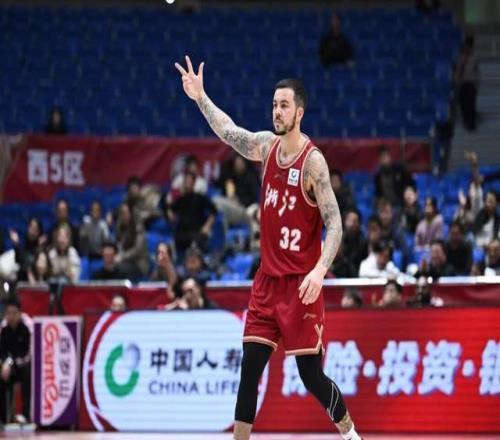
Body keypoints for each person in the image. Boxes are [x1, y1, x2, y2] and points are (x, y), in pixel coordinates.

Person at [175, 56, 362, 440]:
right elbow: (230, 132)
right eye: (274, 104)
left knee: (311, 376)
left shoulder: (314, 164)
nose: (277, 111)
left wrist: (319, 271)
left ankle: (350, 433)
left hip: (301, 286)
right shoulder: (266, 146)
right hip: (266, 283)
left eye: (284, 105)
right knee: (249, 370)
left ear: (299, 112)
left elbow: (336, 223)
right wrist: (200, 98)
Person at [166, 171, 217, 255]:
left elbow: (214, 211)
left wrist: (207, 226)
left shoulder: (200, 198)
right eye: (186, 181)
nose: (187, 184)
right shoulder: (180, 199)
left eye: (189, 181)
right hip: (182, 233)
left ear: (194, 183)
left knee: (198, 240)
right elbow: (171, 212)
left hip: (197, 232)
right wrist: (170, 211)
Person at [0, 297, 31, 424]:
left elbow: (27, 354)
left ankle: (26, 414)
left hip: (25, 365)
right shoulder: (3, 328)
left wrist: (10, 362)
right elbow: (1, 351)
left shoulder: (27, 326)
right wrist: (4, 364)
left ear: (19, 313)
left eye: (14, 313)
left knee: (27, 372)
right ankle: (3, 418)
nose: (11, 317)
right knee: (2, 375)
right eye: (8, 313)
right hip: (9, 367)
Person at [214, 154, 260, 231]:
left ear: (244, 164)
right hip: (234, 208)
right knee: (217, 202)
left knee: (255, 211)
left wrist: (240, 200)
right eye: (236, 164)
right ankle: (224, 236)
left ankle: (255, 235)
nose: (238, 166)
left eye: (240, 163)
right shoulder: (231, 177)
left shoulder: (251, 176)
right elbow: (222, 190)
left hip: (247, 208)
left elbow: (254, 198)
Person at [115, 203, 149, 279]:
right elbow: (119, 245)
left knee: (119, 269)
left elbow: (138, 250)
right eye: (122, 213)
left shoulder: (139, 229)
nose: (124, 216)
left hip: (138, 263)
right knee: (110, 267)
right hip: (125, 261)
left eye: (126, 213)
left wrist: (122, 257)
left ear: (131, 214)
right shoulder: (120, 227)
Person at [9, 217, 46, 282]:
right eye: (30, 228)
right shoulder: (23, 245)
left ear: (39, 232)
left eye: (35, 229)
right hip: (23, 279)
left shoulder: (42, 247)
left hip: (39, 280)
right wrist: (16, 245)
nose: (32, 232)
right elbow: (18, 261)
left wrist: (39, 247)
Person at [454, 36, 479, 131]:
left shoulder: (474, 58)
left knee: (470, 104)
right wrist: (457, 80)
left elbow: (476, 72)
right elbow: (457, 70)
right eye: (466, 46)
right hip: (461, 84)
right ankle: (466, 122)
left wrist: (476, 84)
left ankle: (471, 124)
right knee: (462, 104)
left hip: (470, 83)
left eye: (469, 47)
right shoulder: (459, 57)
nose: (467, 48)